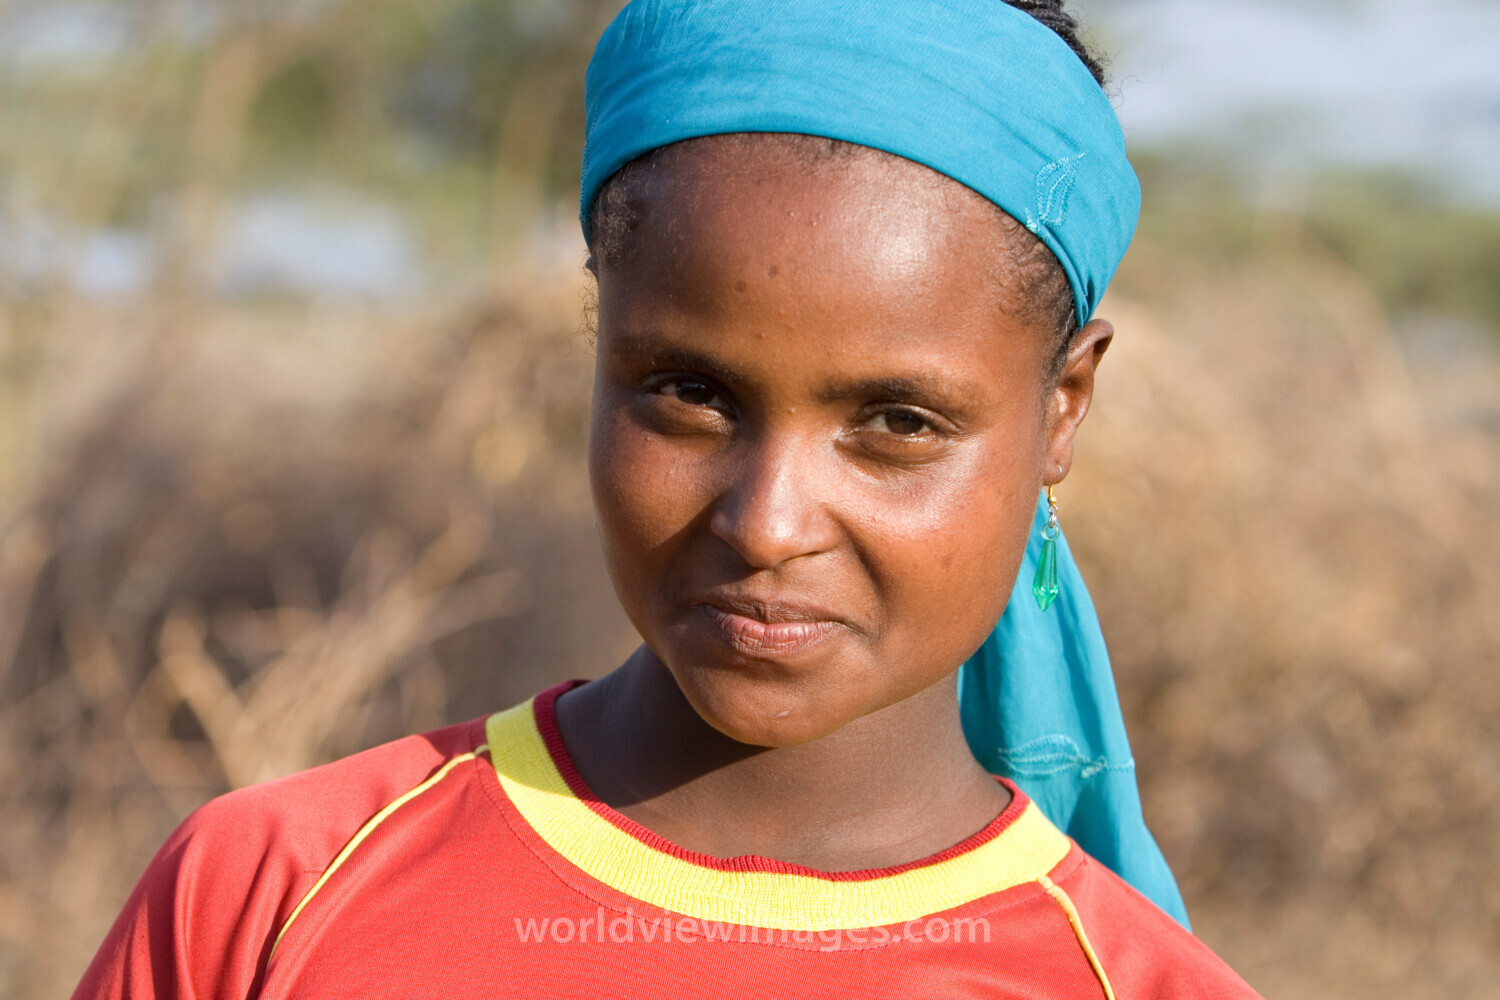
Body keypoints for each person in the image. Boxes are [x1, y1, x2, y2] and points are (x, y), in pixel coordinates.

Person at [75, 0, 1262, 996]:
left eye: (898, 423)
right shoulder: (269, 892)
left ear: (1061, 408)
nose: (768, 520)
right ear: (598, 348)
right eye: (690, 393)